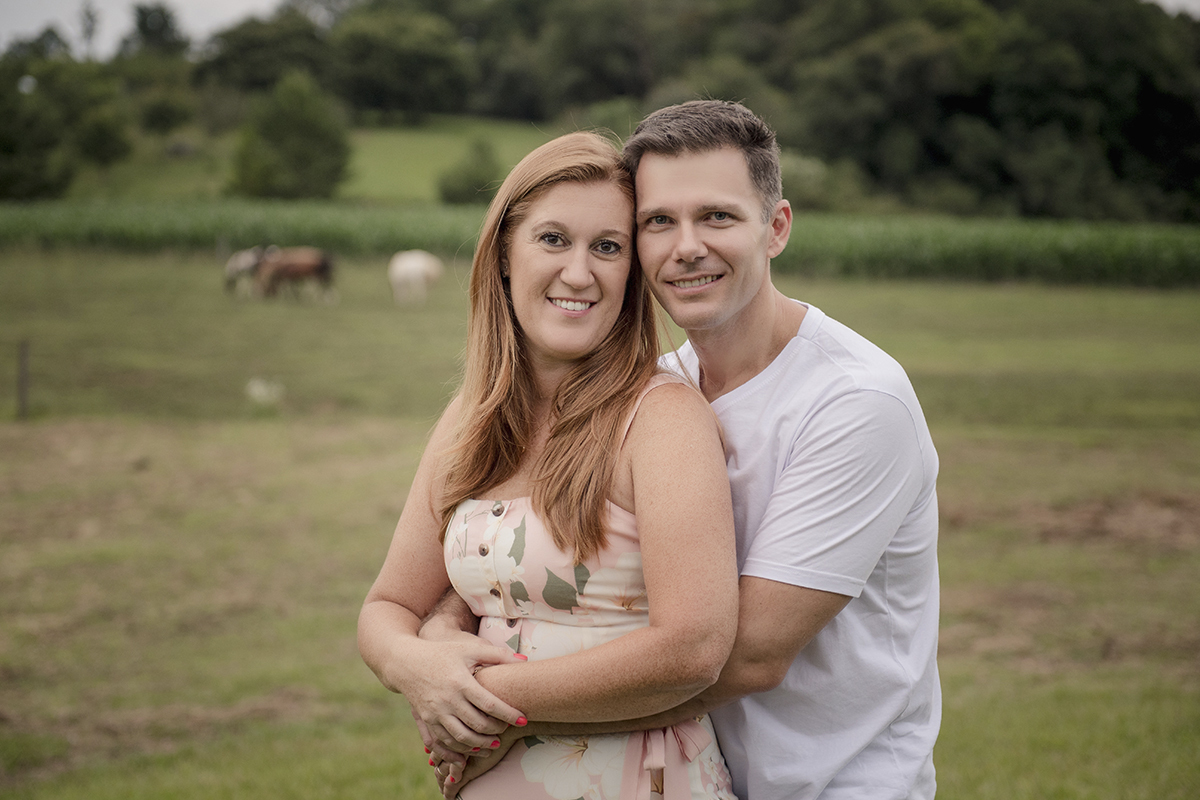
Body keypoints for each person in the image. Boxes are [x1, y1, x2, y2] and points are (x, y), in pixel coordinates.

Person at [431, 101, 942, 800]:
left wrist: (495, 713)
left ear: (777, 228)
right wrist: (440, 637)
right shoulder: (660, 386)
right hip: (692, 768)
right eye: (658, 222)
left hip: (832, 783)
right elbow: (546, 559)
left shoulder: (855, 403)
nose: (686, 246)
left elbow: (742, 656)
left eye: (718, 217)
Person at [357, 130, 742, 799]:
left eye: (608, 247)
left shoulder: (660, 418)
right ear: (505, 254)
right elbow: (386, 606)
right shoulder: (468, 421)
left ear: (632, 272)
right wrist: (415, 667)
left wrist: (484, 700)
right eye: (553, 239)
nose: (579, 272)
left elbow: (694, 647)